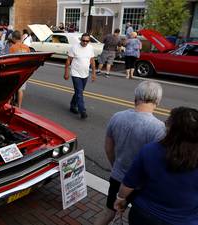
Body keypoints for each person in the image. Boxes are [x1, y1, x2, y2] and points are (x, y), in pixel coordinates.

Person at [94, 81, 165, 225]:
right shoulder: (159, 128)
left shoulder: (117, 117)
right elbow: (156, 163)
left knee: (108, 212)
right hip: (141, 184)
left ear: (136, 96)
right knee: (138, 217)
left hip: (117, 177)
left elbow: (108, 148)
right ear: (157, 100)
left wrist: (116, 165)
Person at [114, 107, 198, 225]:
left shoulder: (151, 150)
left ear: (172, 129)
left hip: (144, 215)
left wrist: (121, 199)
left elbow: (129, 184)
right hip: (184, 220)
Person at [64, 33, 96, 119]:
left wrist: (93, 73)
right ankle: (82, 111)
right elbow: (68, 61)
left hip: (85, 73)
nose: (85, 42)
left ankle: (72, 105)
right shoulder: (74, 47)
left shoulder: (90, 48)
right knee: (79, 92)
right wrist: (66, 72)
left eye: (87, 41)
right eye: (83, 40)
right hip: (75, 73)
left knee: (79, 92)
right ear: (80, 40)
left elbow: (92, 61)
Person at [9, 30, 30, 108]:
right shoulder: (27, 47)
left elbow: (10, 60)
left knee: (12, 89)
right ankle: (19, 106)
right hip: (24, 70)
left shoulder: (12, 47)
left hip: (15, 70)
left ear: (14, 38)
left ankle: (9, 104)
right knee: (20, 89)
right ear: (20, 38)